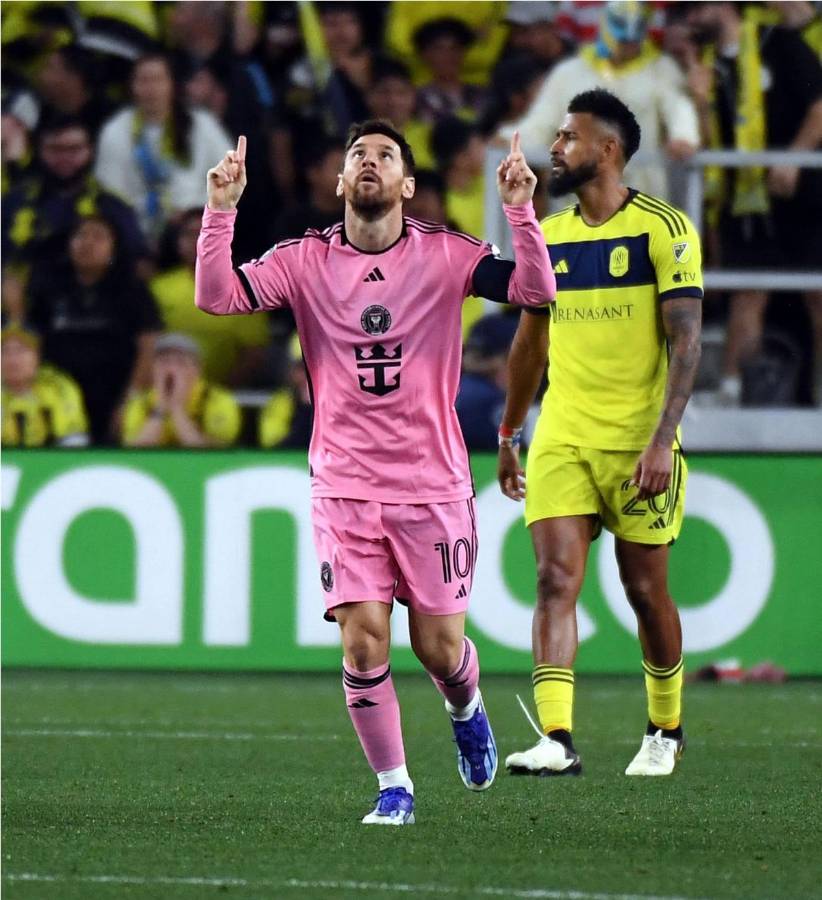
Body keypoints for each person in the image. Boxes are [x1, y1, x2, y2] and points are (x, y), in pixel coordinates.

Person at [196, 121, 555, 824]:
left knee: (439, 649)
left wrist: (520, 210)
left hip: (433, 485)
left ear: (407, 185)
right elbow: (217, 297)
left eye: (386, 156)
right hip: (344, 486)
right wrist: (220, 212)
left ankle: (466, 706)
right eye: (358, 154)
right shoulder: (303, 259)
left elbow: (536, 291)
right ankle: (395, 787)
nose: (370, 162)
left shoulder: (446, 254)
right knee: (363, 643)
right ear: (339, 181)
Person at [498, 89, 702, 778]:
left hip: (638, 441)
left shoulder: (663, 229)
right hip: (562, 435)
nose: (555, 148)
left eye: (568, 137)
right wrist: (509, 432)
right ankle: (557, 737)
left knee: (644, 591)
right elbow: (529, 346)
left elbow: (687, 341)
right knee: (554, 579)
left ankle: (665, 728)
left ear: (607, 150)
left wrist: (662, 440)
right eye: (557, 137)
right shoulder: (548, 235)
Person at [682, 1, 822, 405]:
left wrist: (793, 159)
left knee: (817, 295)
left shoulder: (778, 41)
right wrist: (699, 101)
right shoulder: (705, 66)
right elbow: (706, 143)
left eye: (696, 7)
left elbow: (819, 106)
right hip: (744, 200)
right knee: (747, 293)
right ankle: (731, 391)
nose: (690, 18)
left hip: (803, 193)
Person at [500, 1, 699, 200]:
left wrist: (684, 137)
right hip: (580, 197)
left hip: (640, 196)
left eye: (633, 38)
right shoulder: (570, 72)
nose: (627, 44)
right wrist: (510, 140)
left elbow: (679, 109)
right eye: (622, 37)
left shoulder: (662, 70)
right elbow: (541, 122)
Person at [25, 214, 162, 444]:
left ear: (114, 248)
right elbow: (32, 341)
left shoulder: (133, 291)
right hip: (58, 396)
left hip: (114, 393)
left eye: (98, 237)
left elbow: (148, 346)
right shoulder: (49, 288)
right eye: (80, 236)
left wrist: (130, 400)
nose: (87, 243)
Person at [94, 52, 233, 244]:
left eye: (158, 80)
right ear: (131, 86)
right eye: (144, 81)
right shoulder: (115, 130)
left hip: (195, 229)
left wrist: (195, 213)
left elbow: (230, 178)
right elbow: (111, 191)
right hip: (134, 234)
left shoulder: (201, 124)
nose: (151, 89)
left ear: (172, 84)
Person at [151, 209, 269, 387]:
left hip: (223, 394)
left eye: (206, 233)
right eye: (189, 234)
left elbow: (254, 353)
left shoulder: (245, 290)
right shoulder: (158, 288)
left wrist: (216, 394)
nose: (197, 241)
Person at [121, 332, 241, 448]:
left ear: (197, 370)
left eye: (180, 363)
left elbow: (212, 454)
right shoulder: (141, 402)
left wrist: (177, 409)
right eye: (164, 362)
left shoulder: (218, 400)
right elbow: (135, 451)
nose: (171, 370)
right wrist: (160, 408)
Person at [1, 322, 89, 447]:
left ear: (37, 356)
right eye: (4, 351)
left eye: (21, 350)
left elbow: (74, 442)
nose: (12, 359)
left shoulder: (58, 387)